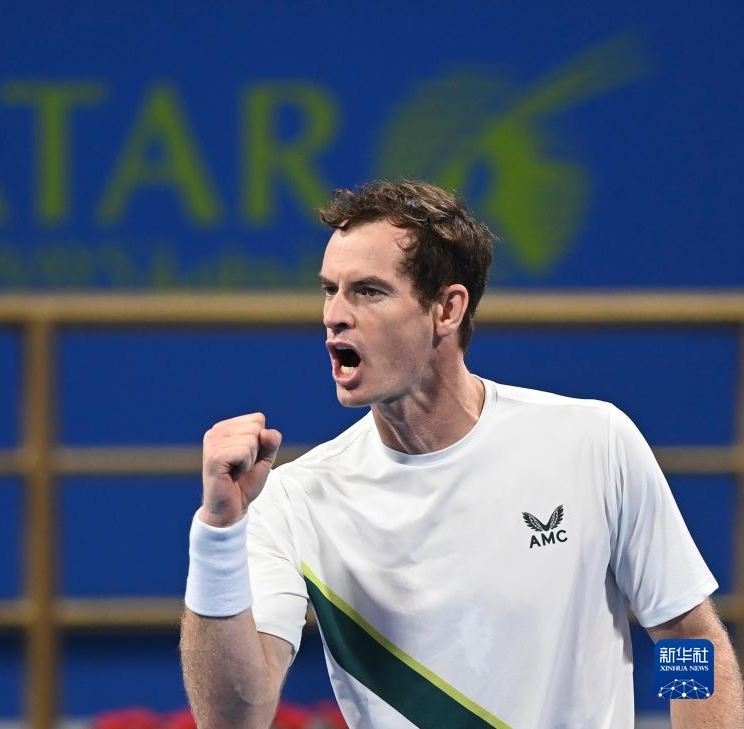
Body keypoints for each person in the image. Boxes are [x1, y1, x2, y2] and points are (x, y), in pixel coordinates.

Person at [178, 179, 744, 728]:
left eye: (368, 291)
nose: (334, 315)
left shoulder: (594, 441)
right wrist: (218, 534)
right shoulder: (292, 500)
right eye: (330, 289)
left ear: (446, 310)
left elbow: (687, 638)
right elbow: (233, 720)